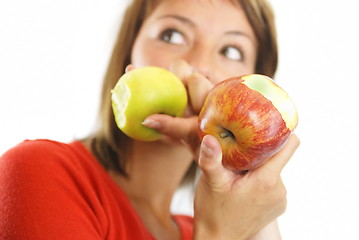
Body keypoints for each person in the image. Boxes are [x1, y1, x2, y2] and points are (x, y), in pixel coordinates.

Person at [0, 0, 300, 239]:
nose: (198, 65)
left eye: (231, 50)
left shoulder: (192, 231)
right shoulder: (41, 172)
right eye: (172, 35)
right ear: (129, 50)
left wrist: (258, 218)